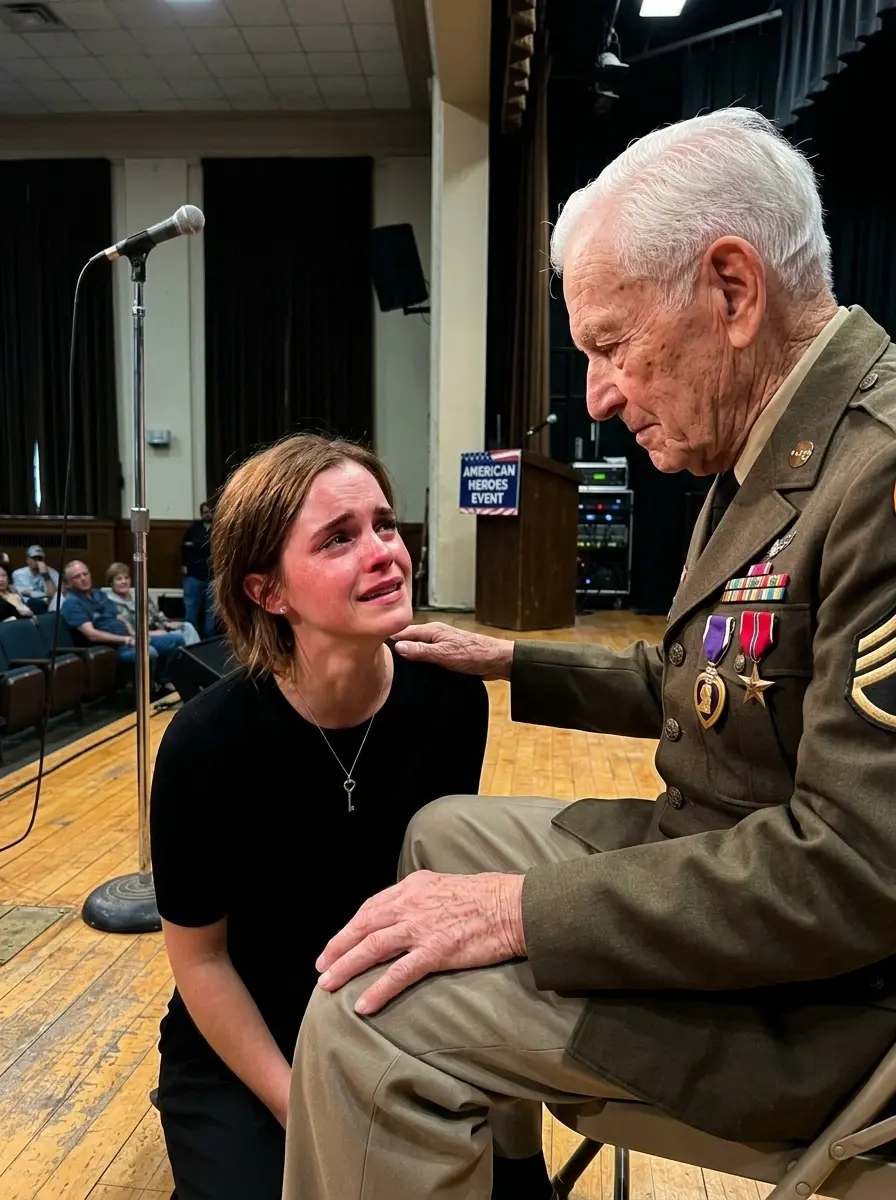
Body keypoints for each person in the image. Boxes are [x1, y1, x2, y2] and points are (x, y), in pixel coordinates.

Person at [281, 108, 896, 1200]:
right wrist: (515, 662)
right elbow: (725, 687)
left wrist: (517, 914)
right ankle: (502, 1175)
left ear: (732, 290)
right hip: (728, 870)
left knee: (364, 1013)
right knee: (439, 834)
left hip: (821, 1003)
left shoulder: (876, 478)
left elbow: (855, 872)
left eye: (612, 347)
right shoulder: (776, 448)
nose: (600, 396)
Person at [149, 434, 544, 1200]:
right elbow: (200, 963)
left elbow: (438, 906)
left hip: (392, 1016)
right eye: (338, 538)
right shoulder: (205, 743)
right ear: (269, 591)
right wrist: (299, 1104)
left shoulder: (450, 700)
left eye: (385, 525)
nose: (384, 553)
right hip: (250, 1040)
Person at [61, 561, 182, 696]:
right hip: (111, 646)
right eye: (77, 577)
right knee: (149, 651)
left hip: (128, 638)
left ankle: (162, 681)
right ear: (68, 583)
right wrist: (125, 640)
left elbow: (119, 617)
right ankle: (147, 694)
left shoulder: (98, 594)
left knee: (176, 639)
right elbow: (91, 634)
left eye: (85, 574)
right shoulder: (72, 603)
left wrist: (133, 634)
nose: (83, 578)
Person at [103, 562, 200, 647]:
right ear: (111, 583)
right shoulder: (110, 603)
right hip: (139, 638)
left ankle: (194, 658)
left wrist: (166, 623)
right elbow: (127, 631)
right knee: (180, 637)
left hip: (157, 629)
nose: (124, 582)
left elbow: (156, 614)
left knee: (187, 627)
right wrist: (153, 633)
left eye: (126, 578)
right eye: (119, 579)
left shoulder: (140, 594)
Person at [181, 502, 215, 639]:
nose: (208, 515)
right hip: (193, 574)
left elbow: (214, 546)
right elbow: (184, 547)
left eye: (210, 512)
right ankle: (190, 640)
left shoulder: (219, 527)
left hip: (213, 575)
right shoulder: (193, 528)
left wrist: (195, 545)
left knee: (211, 612)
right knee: (191, 609)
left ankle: (208, 642)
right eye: (205, 512)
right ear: (201, 514)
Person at [11, 544, 58, 611]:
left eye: (39, 559)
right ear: (27, 560)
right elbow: (24, 593)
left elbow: (53, 594)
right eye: (34, 558)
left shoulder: (53, 572)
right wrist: (45, 595)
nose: (37, 561)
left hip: (49, 605)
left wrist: (45, 574)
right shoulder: (18, 574)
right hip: (27, 606)